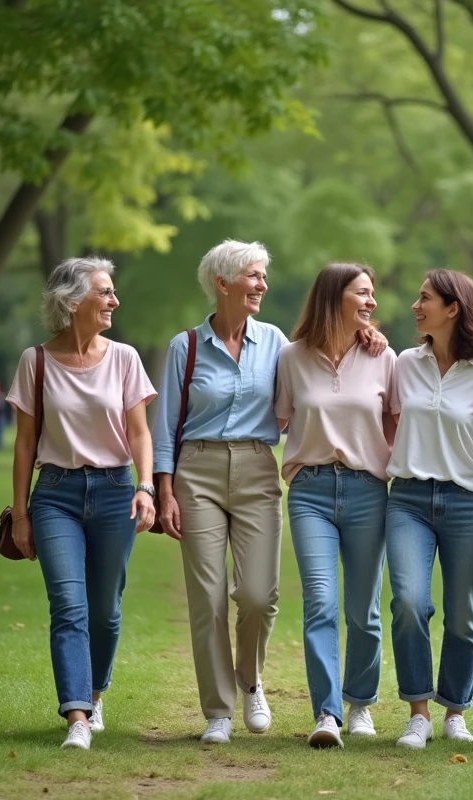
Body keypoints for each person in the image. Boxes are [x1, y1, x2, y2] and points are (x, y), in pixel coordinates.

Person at [151, 240, 389, 746]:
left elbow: (325, 373)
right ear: (223, 283)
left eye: (263, 276)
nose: (262, 285)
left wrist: (366, 332)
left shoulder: (277, 343)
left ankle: (250, 679)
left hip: (259, 467)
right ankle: (219, 711)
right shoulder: (184, 347)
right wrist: (163, 490)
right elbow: (164, 424)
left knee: (259, 596)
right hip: (198, 469)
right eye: (254, 276)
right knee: (208, 598)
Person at [6, 256, 157, 751]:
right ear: (73, 303)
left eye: (113, 292)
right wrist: (22, 513)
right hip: (56, 496)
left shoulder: (124, 358)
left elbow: (139, 431)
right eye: (104, 293)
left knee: (105, 610)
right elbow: (25, 444)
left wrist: (146, 487)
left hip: (116, 492)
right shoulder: (37, 361)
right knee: (68, 606)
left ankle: (94, 695)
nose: (114, 301)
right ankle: (76, 715)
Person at [274, 262, 397, 749]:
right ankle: (327, 713)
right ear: (334, 297)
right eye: (362, 293)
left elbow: (395, 426)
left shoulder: (385, 358)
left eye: (372, 294)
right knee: (320, 601)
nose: (371, 302)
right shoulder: (291, 357)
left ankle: (360, 704)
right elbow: (282, 420)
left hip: (369, 490)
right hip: (311, 492)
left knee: (364, 608)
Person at [385, 269, 473, 750]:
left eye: (425, 298)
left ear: (453, 308)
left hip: (468, 500)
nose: (416, 306)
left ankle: (455, 711)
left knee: (462, 613)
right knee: (410, 603)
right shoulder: (402, 363)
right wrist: (412, 451)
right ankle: (418, 712)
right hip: (409, 498)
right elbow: (391, 419)